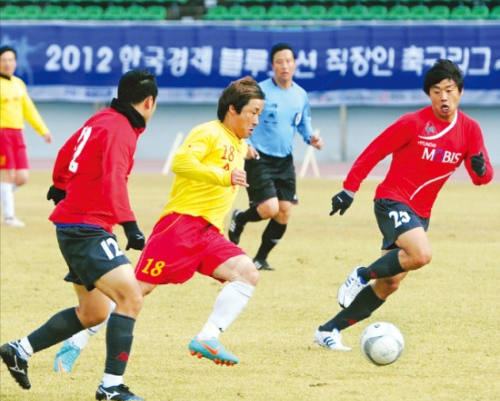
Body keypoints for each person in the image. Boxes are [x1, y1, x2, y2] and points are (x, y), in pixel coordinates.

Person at [52, 75, 265, 372]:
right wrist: (224, 176)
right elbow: (181, 162)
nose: (257, 120)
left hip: (209, 233)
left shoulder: (239, 144)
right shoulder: (208, 132)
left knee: (247, 274)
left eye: (260, 114)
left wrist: (246, 152)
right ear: (233, 109)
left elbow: (233, 153)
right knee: (134, 292)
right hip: (180, 227)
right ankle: (78, 339)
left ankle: (208, 337)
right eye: (253, 112)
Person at [313, 59, 494, 351]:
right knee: (421, 254)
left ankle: (328, 330)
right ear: (429, 95)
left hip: (420, 215)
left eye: (449, 90)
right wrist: (349, 188)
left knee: (390, 284)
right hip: (391, 200)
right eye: (436, 91)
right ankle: (360, 275)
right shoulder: (413, 123)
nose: (443, 97)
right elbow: (375, 151)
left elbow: (481, 178)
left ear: (459, 91)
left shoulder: (470, 129)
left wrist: (481, 166)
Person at [0, 69, 158, 401]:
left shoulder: (101, 118)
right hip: (87, 227)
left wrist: (59, 185)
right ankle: (111, 386)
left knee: (93, 313)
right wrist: (130, 225)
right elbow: (115, 177)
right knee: (131, 297)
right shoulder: (122, 129)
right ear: (149, 102)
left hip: (74, 224)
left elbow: (66, 151)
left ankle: (20, 350)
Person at [228, 43, 323, 271]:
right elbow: (241, 118)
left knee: (284, 211)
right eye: (279, 62)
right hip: (259, 156)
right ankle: (239, 218)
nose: (285, 66)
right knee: (269, 208)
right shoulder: (258, 92)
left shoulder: (300, 95)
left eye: (289, 61)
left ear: (295, 64)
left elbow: (303, 122)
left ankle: (260, 258)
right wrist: (246, 143)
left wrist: (311, 138)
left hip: (284, 160)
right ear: (272, 65)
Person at [0, 45, 53, 227]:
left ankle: (4, 196)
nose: (8, 64)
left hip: (18, 133)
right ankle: (9, 217)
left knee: (22, 177)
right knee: (6, 175)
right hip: (2, 133)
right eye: (4, 60)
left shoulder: (18, 83)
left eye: (11, 60)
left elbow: (29, 110)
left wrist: (43, 130)